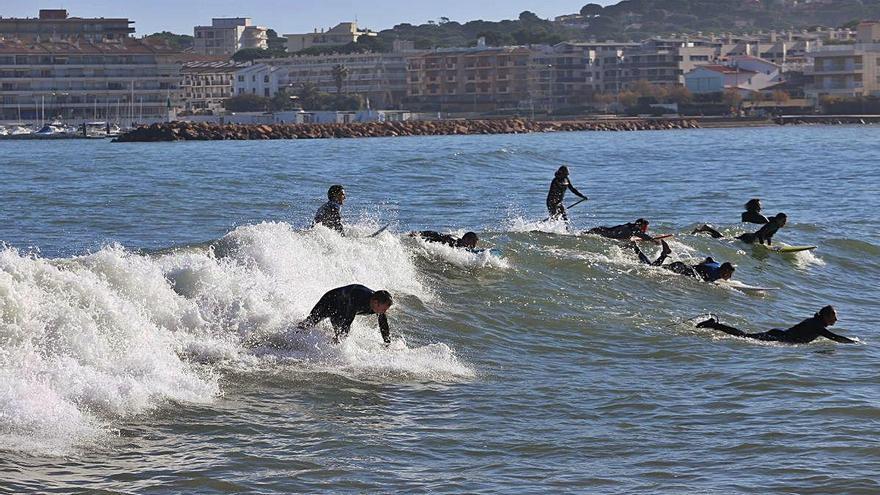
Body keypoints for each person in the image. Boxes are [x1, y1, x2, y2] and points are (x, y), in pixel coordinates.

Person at [696, 306, 855, 344]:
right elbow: (833, 337)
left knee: (744, 335)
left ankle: (716, 325)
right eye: (834, 316)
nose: (836, 319)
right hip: (778, 337)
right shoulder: (816, 325)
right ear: (826, 316)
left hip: (779, 335)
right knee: (743, 336)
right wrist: (854, 343)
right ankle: (715, 325)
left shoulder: (817, 323)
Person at [298, 284, 393, 344]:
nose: (384, 311)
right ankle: (292, 337)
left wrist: (387, 343)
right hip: (329, 301)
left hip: (342, 307)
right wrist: (342, 337)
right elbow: (347, 319)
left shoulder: (377, 306)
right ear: (376, 302)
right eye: (384, 308)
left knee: (340, 337)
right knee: (308, 324)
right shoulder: (360, 299)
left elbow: (383, 323)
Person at [631, 240, 736, 282]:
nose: (729, 277)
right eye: (728, 274)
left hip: (681, 266)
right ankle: (635, 247)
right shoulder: (713, 274)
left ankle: (663, 254)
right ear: (723, 271)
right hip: (679, 268)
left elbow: (709, 259)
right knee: (650, 267)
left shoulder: (717, 265)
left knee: (653, 266)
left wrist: (701, 265)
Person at [587, 218, 654, 241]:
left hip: (602, 230)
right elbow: (642, 236)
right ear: (641, 225)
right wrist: (653, 240)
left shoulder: (631, 225)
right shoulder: (634, 229)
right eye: (645, 226)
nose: (646, 227)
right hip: (605, 234)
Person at [410, 230, 478, 249]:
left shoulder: (466, 247)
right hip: (435, 242)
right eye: (472, 242)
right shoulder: (455, 241)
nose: (473, 245)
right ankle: (419, 233)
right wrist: (421, 233)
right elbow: (436, 234)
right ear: (466, 239)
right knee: (438, 236)